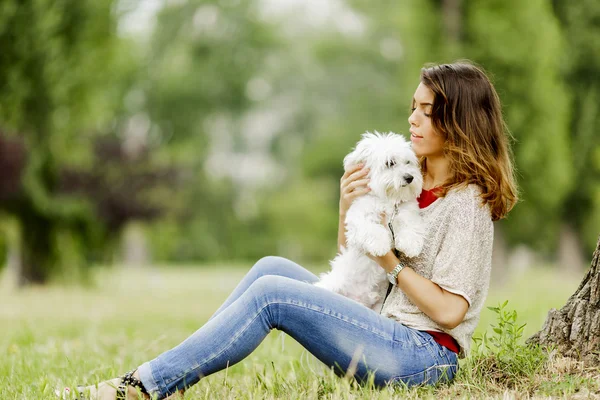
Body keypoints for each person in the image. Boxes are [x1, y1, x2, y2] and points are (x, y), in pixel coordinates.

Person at [67, 61, 518, 399]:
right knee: (270, 268)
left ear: (457, 120)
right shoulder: (405, 177)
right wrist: (347, 206)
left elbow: (450, 313)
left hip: (424, 357)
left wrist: (391, 262)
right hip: (381, 326)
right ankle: (179, 369)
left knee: (272, 296)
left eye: (426, 111)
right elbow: (353, 259)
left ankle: (142, 386)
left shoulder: (467, 203)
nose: (412, 120)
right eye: (412, 109)